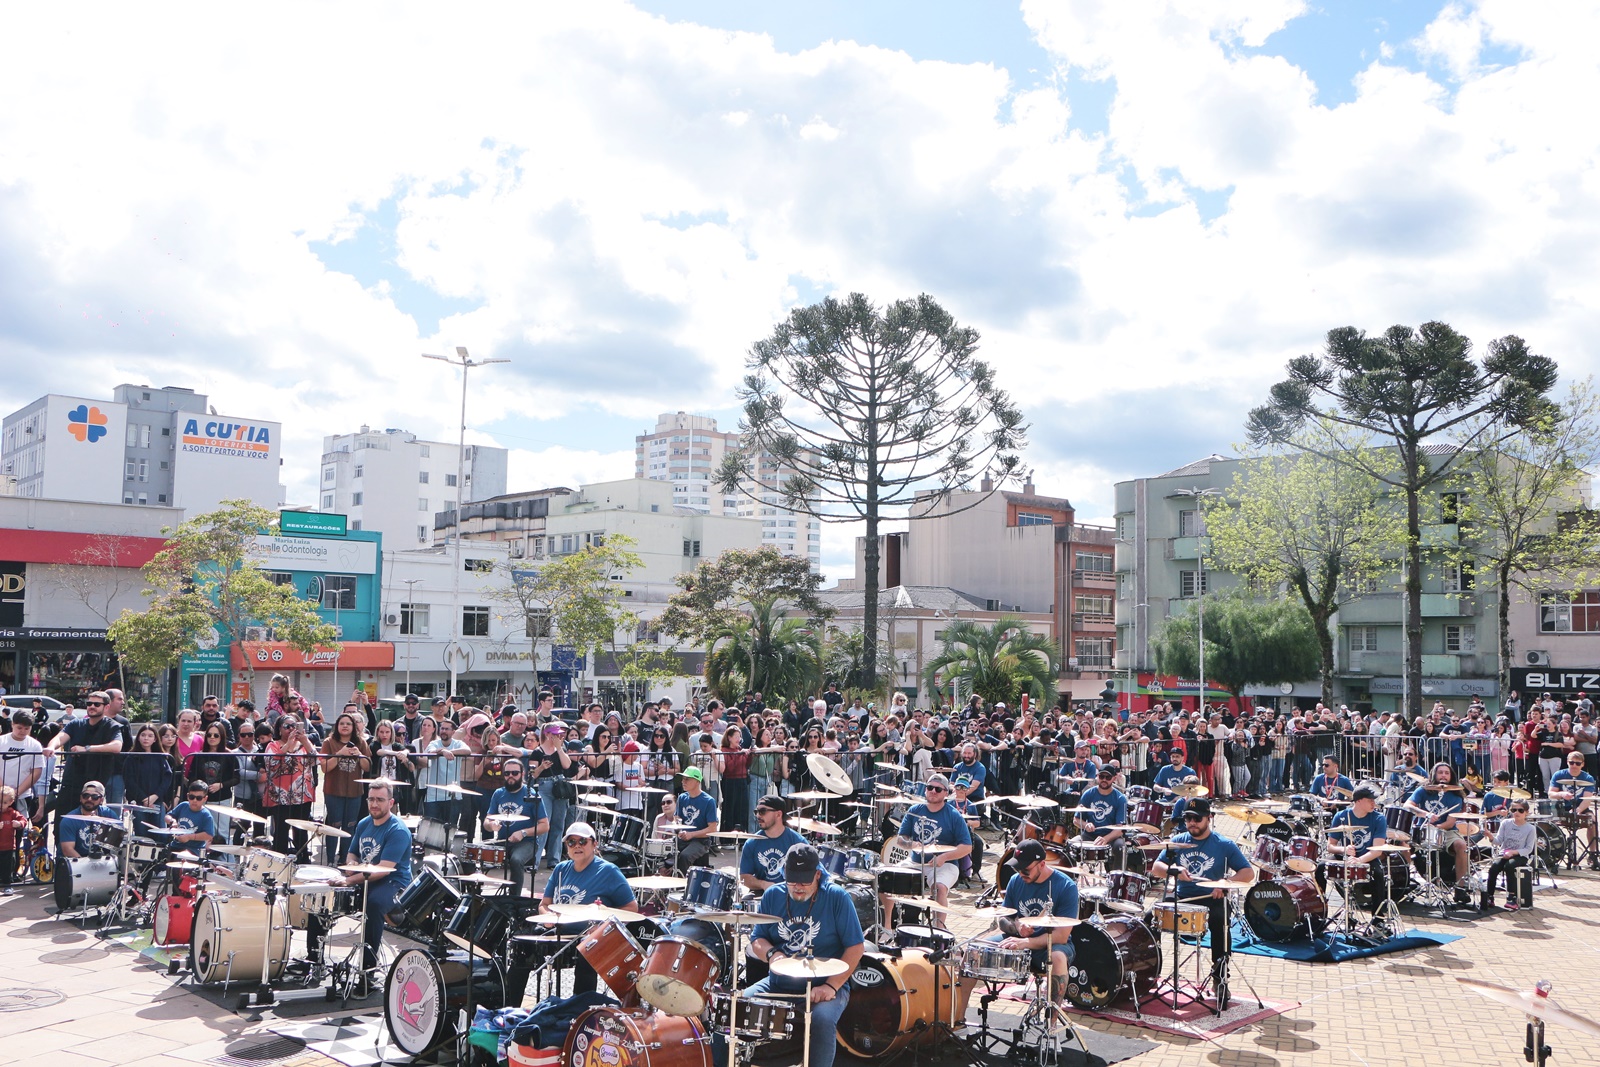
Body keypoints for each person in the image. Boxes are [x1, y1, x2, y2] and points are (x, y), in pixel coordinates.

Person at [748, 844, 865, 1067]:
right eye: (792, 881)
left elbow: (856, 948)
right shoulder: (773, 895)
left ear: (818, 874)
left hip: (825, 984)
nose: (798, 887)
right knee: (739, 1004)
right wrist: (773, 955)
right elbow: (757, 939)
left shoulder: (836, 897)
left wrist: (831, 987)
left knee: (821, 1020)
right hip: (779, 983)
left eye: (804, 881)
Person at [956, 839, 1077, 1019]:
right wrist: (1017, 925)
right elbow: (1004, 918)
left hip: (1050, 944)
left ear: (1042, 864)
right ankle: (957, 1018)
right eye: (1017, 869)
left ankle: (1051, 1025)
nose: (1021, 874)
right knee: (973, 952)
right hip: (1018, 941)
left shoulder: (1066, 887)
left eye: (1026, 870)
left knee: (1058, 958)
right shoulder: (1015, 881)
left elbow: (1061, 936)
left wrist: (1026, 942)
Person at [1149, 798, 1253, 1006]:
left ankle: (1219, 978)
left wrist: (1225, 882)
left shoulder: (1224, 844)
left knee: (1221, 922)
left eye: (1197, 818)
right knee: (1149, 918)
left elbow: (1248, 873)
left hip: (1210, 898)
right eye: (1188, 818)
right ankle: (1150, 971)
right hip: (1182, 895)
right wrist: (1173, 870)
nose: (1192, 823)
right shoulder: (1177, 841)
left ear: (1209, 818)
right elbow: (1156, 868)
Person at [538, 821, 638, 993]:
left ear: (594, 844)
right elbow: (544, 904)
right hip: (561, 931)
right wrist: (547, 918)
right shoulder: (560, 869)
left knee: (587, 950)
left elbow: (631, 908)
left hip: (591, 935)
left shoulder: (609, 871)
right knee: (522, 947)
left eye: (582, 841)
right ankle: (509, 1005)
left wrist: (602, 927)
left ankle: (580, 1007)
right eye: (571, 842)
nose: (577, 846)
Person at [337, 782, 412, 975]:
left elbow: (383, 870)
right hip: (365, 877)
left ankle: (367, 969)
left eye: (380, 800)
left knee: (373, 904)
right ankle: (314, 959)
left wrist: (350, 880)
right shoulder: (364, 823)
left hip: (394, 882)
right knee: (324, 893)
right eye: (371, 799)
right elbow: (352, 853)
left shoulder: (398, 831)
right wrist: (351, 865)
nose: (374, 804)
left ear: (391, 802)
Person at [887, 772, 971, 927]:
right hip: (915, 862)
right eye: (930, 788)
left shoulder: (953, 815)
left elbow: (966, 847)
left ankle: (939, 929)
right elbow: (901, 839)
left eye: (938, 789)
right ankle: (886, 927)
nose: (933, 791)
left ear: (946, 793)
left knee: (939, 887)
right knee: (887, 879)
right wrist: (911, 844)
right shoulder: (914, 810)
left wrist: (944, 857)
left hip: (944, 864)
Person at [1408, 762, 1472, 905]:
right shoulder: (1423, 790)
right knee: (1401, 843)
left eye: (1447, 773)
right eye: (1440, 772)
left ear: (1451, 776)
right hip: (1422, 828)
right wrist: (1426, 815)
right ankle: (1404, 882)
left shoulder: (1456, 796)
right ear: (1434, 775)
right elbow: (1407, 805)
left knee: (1462, 845)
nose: (1443, 775)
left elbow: (1450, 822)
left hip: (1446, 830)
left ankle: (1460, 888)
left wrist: (1436, 827)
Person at [485, 758, 549, 897]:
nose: (510, 776)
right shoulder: (498, 793)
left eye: (515, 773)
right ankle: (476, 897)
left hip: (527, 842)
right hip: (503, 841)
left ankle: (514, 898)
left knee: (516, 860)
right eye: (507, 773)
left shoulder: (531, 794)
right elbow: (487, 820)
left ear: (522, 773)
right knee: (473, 854)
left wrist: (524, 832)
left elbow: (545, 825)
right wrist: (491, 825)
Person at [1319, 786, 1388, 901]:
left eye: (1373, 800)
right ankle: (1321, 909)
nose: (1373, 803)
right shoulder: (1341, 816)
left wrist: (1359, 860)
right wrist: (1344, 850)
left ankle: (1378, 916)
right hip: (1345, 856)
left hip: (1367, 857)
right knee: (1321, 868)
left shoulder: (1379, 819)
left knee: (1378, 873)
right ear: (1359, 801)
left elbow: (1377, 850)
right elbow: (1330, 846)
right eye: (1370, 800)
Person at [320, 713, 373, 862]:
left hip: (354, 792)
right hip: (333, 790)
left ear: (353, 727)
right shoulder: (329, 742)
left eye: (348, 724)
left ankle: (345, 859)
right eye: (342, 723)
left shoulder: (361, 742)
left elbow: (367, 766)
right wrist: (339, 754)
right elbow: (324, 768)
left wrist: (359, 755)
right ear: (337, 726)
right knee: (334, 825)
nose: (345, 726)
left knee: (350, 826)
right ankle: (330, 859)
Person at [263, 717, 319, 857]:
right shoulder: (273, 745)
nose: (290, 729)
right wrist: (288, 744)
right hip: (280, 795)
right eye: (287, 726)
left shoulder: (305, 745)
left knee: (301, 832)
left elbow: (317, 761)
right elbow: (271, 763)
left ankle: (302, 860)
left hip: (301, 795)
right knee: (281, 831)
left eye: (294, 726)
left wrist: (305, 741)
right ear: (279, 729)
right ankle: (278, 862)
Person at [740, 794, 805, 892]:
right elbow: (744, 877)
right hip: (762, 896)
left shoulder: (798, 842)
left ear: (778, 814)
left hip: (791, 896)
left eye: (762, 811)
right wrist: (763, 884)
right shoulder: (751, 843)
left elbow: (811, 875)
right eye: (756, 812)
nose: (758, 815)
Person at [1482, 800, 1537, 910]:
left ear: (1526, 812)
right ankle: (1489, 896)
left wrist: (1514, 852)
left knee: (1510, 866)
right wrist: (1490, 836)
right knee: (1493, 868)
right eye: (1513, 810)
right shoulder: (1505, 823)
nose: (1516, 813)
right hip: (1504, 853)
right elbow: (1498, 841)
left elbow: (1528, 849)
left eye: (1520, 810)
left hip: (1520, 855)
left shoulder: (1530, 828)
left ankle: (1511, 897)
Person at [1549, 753, 1598, 870]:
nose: (1574, 765)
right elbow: (1551, 793)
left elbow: (1588, 799)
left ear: (1583, 764)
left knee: (1593, 821)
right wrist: (1561, 794)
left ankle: (1593, 854)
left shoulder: (1588, 778)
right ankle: (1551, 853)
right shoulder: (1559, 775)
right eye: (1571, 762)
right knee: (1548, 824)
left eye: (1577, 763)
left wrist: (1578, 810)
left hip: (1581, 807)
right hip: (1560, 807)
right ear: (1567, 762)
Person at [0, 711, 45, 821]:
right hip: (0, 793)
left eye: (27, 729)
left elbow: (37, 771)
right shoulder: (2, 741)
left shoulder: (35, 745)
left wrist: (16, 793)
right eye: (19, 728)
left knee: (19, 828)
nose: (23, 731)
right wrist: (3, 790)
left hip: (23, 795)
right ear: (12, 724)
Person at [674, 767, 720, 872]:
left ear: (697, 781)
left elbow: (712, 829)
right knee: (665, 853)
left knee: (684, 857)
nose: (683, 782)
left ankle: (683, 886)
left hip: (701, 841)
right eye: (683, 779)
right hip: (683, 838)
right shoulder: (682, 798)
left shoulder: (708, 801)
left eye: (687, 779)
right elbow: (676, 819)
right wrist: (679, 830)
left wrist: (691, 834)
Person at [1075, 766, 1128, 847]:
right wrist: (1086, 825)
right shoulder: (1088, 794)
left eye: (1108, 777)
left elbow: (1120, 829)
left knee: (1120, 846)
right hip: (1089, 835)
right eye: (1101, 776)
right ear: (1097, 777)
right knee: (1071, 844)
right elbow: (1076, 820)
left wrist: (1105, 839)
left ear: (1114, 779)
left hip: (1111, 837)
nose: (1104, 780)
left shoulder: (1120, 798)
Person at [166, 780, 217, 858]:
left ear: (205, 799)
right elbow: (167, 816)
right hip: (176, 845)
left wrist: (189, 837)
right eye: (192, 797)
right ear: (187, 796)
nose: (194, 800)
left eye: (199, 798)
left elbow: (209, 835)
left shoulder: (206, 815)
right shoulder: (183, 806)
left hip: (194, 850)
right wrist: (172, 821)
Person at [1153, 747, 1201, 827]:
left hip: (1184, 802)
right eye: (1173, 756)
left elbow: (1194, 790)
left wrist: (1181, 797)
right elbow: (1155, 786)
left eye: (1177, 756)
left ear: (1182, 758)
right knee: (1156, 805)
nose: (1175, 758)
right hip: (1166, 801)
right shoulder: (1164, 770)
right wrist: (1163, 789)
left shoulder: (1190, 772)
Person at [0, 785, 27, 894]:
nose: (1, 805)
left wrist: (19, 823)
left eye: (4, 803)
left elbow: (23, 820)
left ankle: (7, 885)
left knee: (8, 866)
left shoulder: (12, 813)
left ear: (11, 802)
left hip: (9, 846)